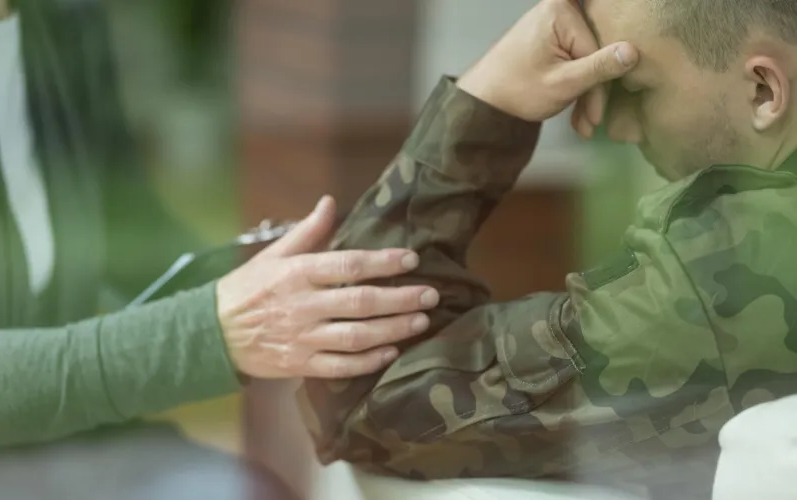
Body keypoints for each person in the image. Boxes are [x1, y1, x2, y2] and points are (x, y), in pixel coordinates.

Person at [297, 0, 797, 498]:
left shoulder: (723, 274)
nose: (619, 129)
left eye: (635, 90)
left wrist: (489, 102)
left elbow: (352, 405)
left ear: (763, 90)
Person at [0, 0, 441, 497]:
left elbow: (129, 226)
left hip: (68, 446)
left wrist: (279, 280)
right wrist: (210, 334)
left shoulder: (56, 25)